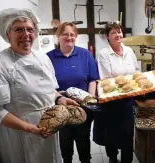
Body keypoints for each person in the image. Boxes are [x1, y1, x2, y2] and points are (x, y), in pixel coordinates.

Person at [0, 8, 79, 163]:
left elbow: (51, 90)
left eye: (30, 29)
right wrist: (28, 127)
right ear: (8, 34)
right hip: (20, 134)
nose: (26, 35)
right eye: (19, 30)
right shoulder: (0, 63)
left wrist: (60, 99)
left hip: (48, 127)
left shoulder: (42, 58)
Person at [47, 22, 99, 163]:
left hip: (83, 108)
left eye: (72, 34)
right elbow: (45, 84)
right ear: (58, 36)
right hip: (61, 108)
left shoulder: (85, 54)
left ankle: (85, 160)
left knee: (83, 140)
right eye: (65, 34)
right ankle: (67, 160)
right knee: (65, 140)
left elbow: (93, 79)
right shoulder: (49, 57)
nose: (69, 37)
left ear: (76, 36)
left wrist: (90, 98)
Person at [94, 21, 140, 163]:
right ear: (107, 36)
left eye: (119, 31)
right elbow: (106, 79)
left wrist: (136, 84)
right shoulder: (104, 54)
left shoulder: (129, 51)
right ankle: (112, 159)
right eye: (113, 32)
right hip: (111, 102)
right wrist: (128, 83)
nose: (117, 34)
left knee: (128, 134)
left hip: (128, 101)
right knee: (111, 135)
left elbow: (137, 71)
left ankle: (126, 160)